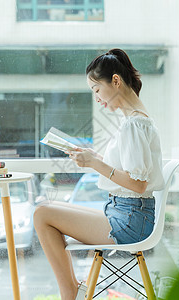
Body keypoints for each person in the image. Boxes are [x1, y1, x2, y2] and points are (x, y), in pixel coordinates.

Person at [33, 48, 164, 300]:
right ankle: (73, 290)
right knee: (46, 208)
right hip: (127, 213)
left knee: (42, 214)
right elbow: (131, 174)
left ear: (115, 81)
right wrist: (95, 157)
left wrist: (94, 163)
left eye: (96, 90)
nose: (97, 98)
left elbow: (138, 184)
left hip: (130, 220)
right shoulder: (135, 121)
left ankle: (69, 293)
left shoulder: (134, 124)